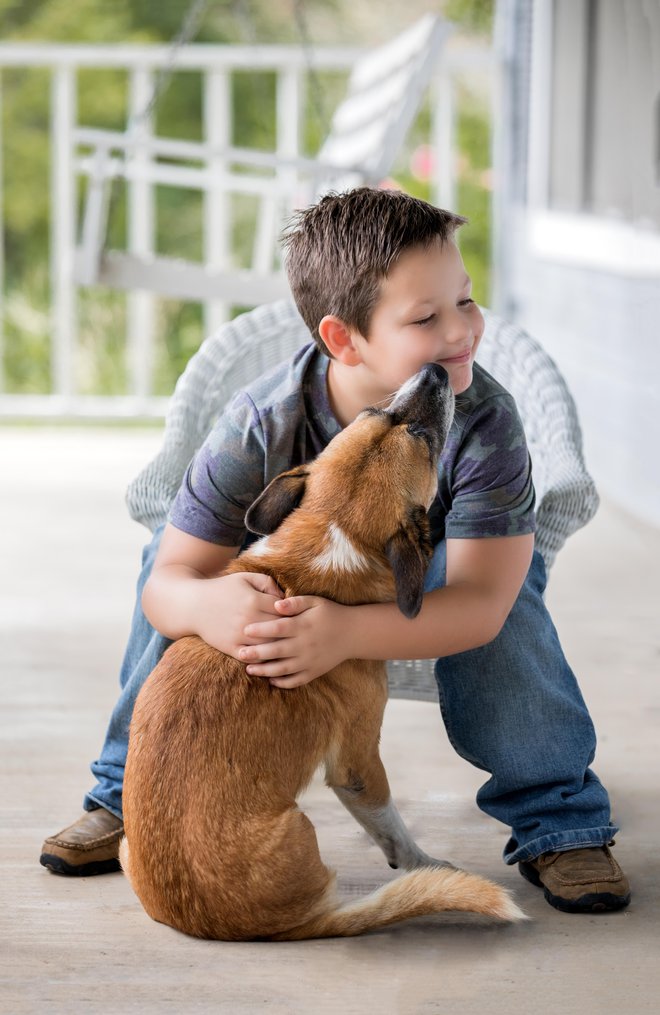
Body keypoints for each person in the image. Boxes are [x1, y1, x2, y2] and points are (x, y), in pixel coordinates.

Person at [40, 188, 630, 914]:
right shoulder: (261, 419)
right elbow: (169, 579)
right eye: (426, 317)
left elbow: (481, 602)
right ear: (343, 338)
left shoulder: (485, 420)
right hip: (302, 573)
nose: (462, 332)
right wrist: (206, 603)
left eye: (466, 302)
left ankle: (559, 817)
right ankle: (123, 789)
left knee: (514, 605)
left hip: (445, 577)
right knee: (170, 551)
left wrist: (345, 632)